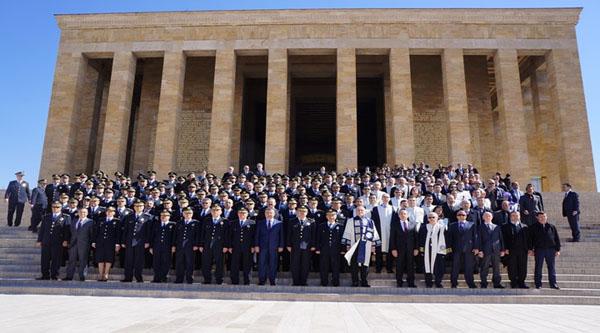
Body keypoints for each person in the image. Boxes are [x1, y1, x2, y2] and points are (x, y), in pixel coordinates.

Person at [343, 205, 381, 287]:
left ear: (365, 212)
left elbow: (374, 234)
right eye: (358, 210)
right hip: (354, 245)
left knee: (365, 264)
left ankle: (364, 281)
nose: (360, 212)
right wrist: (348, 245)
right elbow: (347, 233)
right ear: (356, 211)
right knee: (354, 264)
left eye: (362, 210)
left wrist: (373, 245)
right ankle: (355, 281)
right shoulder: (350, 221)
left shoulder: (370, 221)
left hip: (366, 246)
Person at [36, 201, 70, 280]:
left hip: (58, 241)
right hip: (46, 241)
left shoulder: (65, 217)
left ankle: (54, 275)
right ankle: (45, 275)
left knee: (56, 259)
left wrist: (65, 240)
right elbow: (42, 229)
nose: (55, 208)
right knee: (44, 259)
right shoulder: (46, 217)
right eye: (53, 207)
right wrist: (39, 240)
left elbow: (67, 230)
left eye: (57, 207)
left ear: (61, 208)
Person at [446, 209, 479, 288]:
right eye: (459, 215)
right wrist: (449, 249)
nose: (461, 216)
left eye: (463, 215)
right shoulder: (452, 225)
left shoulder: (472, 224)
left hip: (469, 249)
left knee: (469, 267)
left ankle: (470, 283)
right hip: (456, 250)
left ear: (466, 216)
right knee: (455, 267)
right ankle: (454, 283)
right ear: (457, 216)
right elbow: (449, 238)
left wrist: (476, 247)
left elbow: (475, 237)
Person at [120, 200, 152, 282]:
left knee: (139, 260)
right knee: (128, 260)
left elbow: (148, 231)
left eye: (140, 206)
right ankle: (128, 277)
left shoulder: (147, 217)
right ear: (134, 207)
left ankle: (138, 277)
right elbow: (125, 230)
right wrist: (123, 241)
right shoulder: (129, 217)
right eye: (137, 206)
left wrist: (147, 242)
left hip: (140, 242)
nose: (138, 208)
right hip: (129, 241)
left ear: (143, 207)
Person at [529, 212, 561, 289]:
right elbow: (530, 239)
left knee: (551, 267)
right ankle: (538, 284)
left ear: (546, 217)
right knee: (538, 267)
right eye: (541, 217)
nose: (543, 218)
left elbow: (556, 238)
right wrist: (530, 249)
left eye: (544, 216)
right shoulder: (533, 227)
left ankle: (553, 284)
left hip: (550, 250)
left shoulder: (551, 227)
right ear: (537, 218)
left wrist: (557, 249)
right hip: (539, 250)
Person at [199, 205, 229, 284]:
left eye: (217, 210)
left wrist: (226, 245)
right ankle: (207, 279)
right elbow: (202, 233)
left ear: (221, 211)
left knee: (219, 263)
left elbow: (227, 235)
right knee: (206, 263)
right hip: (207, 245)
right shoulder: (206, 220)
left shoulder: (225, 221)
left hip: (219, 246)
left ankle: (219, 279)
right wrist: (201, 245)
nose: (215, 211)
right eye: (213, 210)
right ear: (211, 211)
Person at [287, 206, 317, 286]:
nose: (302, 213)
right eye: (300, 211)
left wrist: (313, 245)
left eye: (304, 211)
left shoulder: (311, 222)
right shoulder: (292, 221)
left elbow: (313, 235)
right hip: (295, 246)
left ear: (307, 213)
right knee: (295, 264)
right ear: (297, 212)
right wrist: (288, 245)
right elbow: (289, 234)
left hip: (307, 247)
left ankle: (303, 281)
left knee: (305, 264)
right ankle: (295, 281)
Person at [389, 209, 419, 287]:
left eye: (405, 214)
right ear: (399, 216)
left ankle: (411, 282)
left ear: (407, 215)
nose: (403, 215)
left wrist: (416, 248)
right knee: (399, 266)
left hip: (410, 249)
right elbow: (392, 238)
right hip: (399, 250)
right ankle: (399, 282)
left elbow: (416, 237)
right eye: (401, 214)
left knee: (411, 266)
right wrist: (393, 249)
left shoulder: (413, 224)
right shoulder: (394, 225)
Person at [255, 207, 284, 285]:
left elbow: (281, 235)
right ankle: (262, 280)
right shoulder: (260, 223)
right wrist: (256, 245)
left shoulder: (279, 223)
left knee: (273, 264)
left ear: (274, 214)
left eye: (270, 213)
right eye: (267, 213)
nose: (269, 214)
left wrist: (281, 246)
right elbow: (257, 235)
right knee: (262, 264)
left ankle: (272, 280)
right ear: (265, 214)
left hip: (274, 247)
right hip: (262, 247)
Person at [501, 211, 530, 289]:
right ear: (510, 217)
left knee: (523, 267)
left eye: (517, 215)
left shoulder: (525, 227)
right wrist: (505, 248)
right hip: (511, 250)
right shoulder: (505, 226)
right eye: (513, 215)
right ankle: (513, 282)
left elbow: (528, 239)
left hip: (522, 250)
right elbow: (503, 239)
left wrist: (529, 249)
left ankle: (521, 282)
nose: (515, 217)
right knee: (512, 267)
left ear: (519, 216)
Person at [316, 209, 344, 287]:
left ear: (336, 216)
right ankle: (324, 281)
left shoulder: (340, 226)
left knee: (336, 266)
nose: (331, 217)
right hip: (324, 249)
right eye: (329, 215)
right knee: (324, 266)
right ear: (326, 216)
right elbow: (318, 238)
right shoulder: (322, 226)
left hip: (336, 250)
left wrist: (342, 249)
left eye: (333, 215)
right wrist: (318, 248)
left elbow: (342, 239)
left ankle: (335, 281)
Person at [64, 207, 94, 281]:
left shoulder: (90, 222)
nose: (82, 214)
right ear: (78, 213)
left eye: (84, 212)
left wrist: (90, 244)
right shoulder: (74, 221)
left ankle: (82, 276)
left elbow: (92, 234)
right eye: (81, 212)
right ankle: (69, 276)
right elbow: (70, 232)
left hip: (84, 244)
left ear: (87, 213)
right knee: (71, 260)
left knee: (83, 260)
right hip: (73, 244)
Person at [92, 206, 121, 281]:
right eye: (108, 211)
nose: (109, 212)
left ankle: (106, 274)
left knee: (109, 258)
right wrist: (94, 241)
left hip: (111, 243)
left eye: (111, 211)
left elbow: (118, 234)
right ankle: (100, 274)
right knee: (100, 258)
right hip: (100, 242)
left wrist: (117, 244)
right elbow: (96, 231)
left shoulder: (117, 221)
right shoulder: (101, 220)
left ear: (114, 213)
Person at [418, 212, 447, 288]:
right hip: (427, 250)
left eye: (433, 217)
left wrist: (445, 251)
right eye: (430, 217)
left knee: (439, 267)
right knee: (427, 267)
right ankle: (428, 282)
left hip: (439, 250)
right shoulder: (424, 228)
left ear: (437, 218)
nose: (431, 219)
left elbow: (446, 240)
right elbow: (420, 240)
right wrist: (422, 250)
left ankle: (438, 282)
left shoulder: (442, 228)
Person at [478, 211, 505, 288]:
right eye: (486, 216)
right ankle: (483, 283)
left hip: (496, 250)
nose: (487, 217)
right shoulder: (480, 227)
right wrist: (480, 250)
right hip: (485, 250)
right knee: (484, 267)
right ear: (483, 218)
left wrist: (502, 249)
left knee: (496, 268)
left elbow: (501, 239)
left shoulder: (497, 227)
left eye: (489, 216)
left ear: (492, 217)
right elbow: (479, 239)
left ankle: (497, 283)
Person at [229, 207, 256, 285]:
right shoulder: (233, 223)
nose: (242, 214)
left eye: (244, 213)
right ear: (237, 214)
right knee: (234, 264)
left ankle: (247, 281)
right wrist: (230, 246)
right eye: (240, 213)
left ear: (247, 214)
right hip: (235, 247)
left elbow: (254, 236)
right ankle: (234, 280)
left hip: (248, 247)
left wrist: (253, 246)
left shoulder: (252, 223)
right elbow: (230, 236)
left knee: (247, 264)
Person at [174, 208, 200, 284]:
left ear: (192, 214)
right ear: (183, 214)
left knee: (190, 263)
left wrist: (196, 244)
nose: (187, 215)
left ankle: (189, 279)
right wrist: (174, 245)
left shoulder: (196, 223)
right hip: (180, 246)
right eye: (186, 213)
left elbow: (197, 235)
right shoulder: (179, 223)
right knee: (179, 262)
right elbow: (175, 235)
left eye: (189, 213)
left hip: (190, 246)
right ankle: (179, 278)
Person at [371, 193, 395, 273]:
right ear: (382, 198)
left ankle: (389, 268)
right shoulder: (376, 208)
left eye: (387, 197)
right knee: (378, 251)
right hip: (379, 232)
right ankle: (378, 268)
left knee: (389, 251)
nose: (386, 199)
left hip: (390, 232)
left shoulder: (393, 208)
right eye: (384, 197)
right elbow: (373, 221)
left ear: (389, 199)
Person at [149, 210, 176, 283]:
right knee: (156, 262)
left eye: (166, 215)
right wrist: (151, 247)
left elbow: (174, 237)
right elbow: (152, 236)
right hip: (157, 246)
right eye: (162, 215)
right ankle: (156, 278)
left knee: (166, 262)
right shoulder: (156, 224)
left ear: (169, 217)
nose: (163, 217)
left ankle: (164, 277)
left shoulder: (173, 225)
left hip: (167, 247)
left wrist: (173, 246)